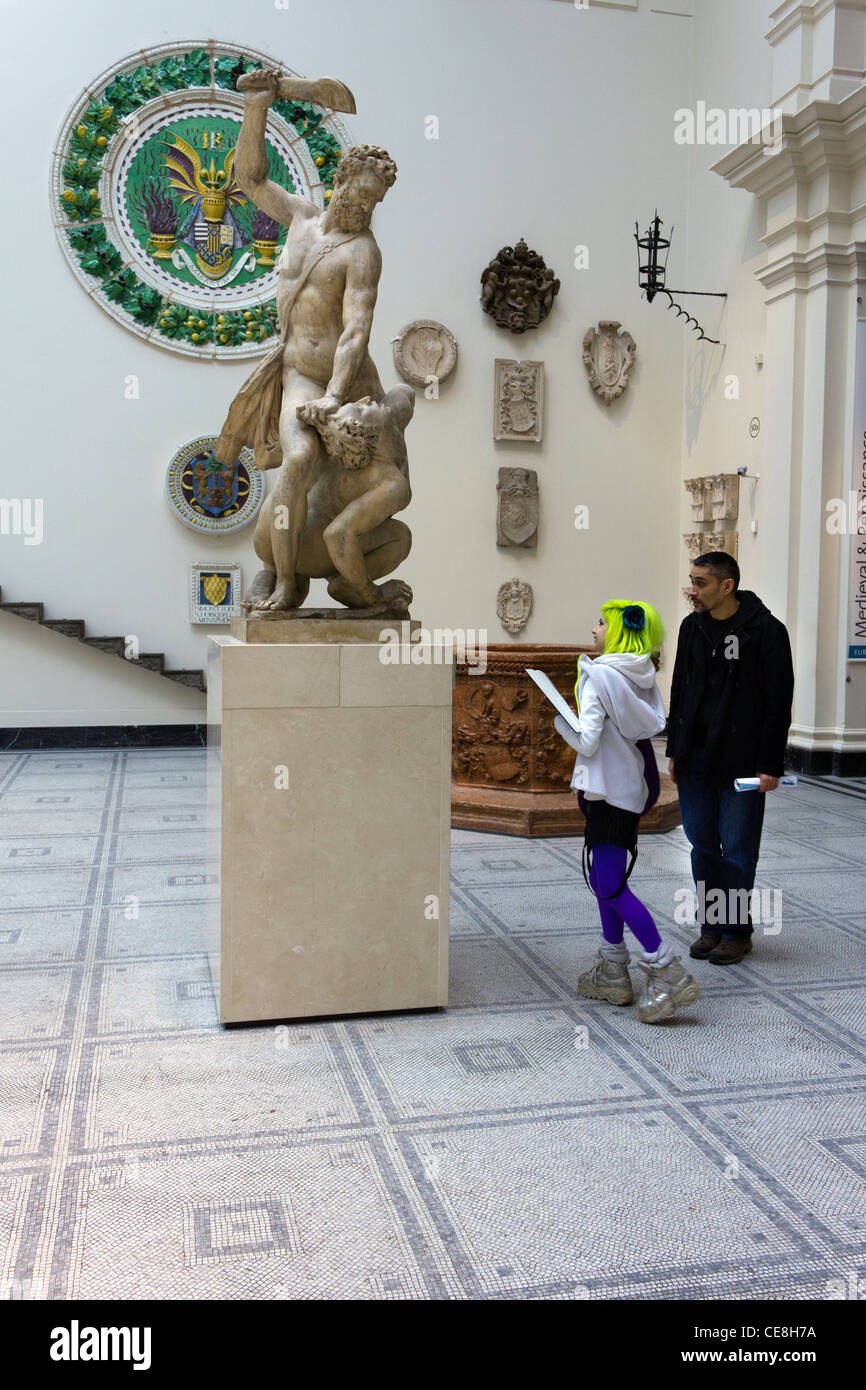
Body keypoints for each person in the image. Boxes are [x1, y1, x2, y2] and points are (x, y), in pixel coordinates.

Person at [212, 66, 398, 613]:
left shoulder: (363, 251)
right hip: (296, 373)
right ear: (340, 180)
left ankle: (334, 572)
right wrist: (257, 108)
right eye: (360, 192)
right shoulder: (301, 218)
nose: (364, 207)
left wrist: (335, 397)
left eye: (374, 202)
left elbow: (357, 330)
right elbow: (250, 179)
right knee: (296, 461)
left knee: (359, 474)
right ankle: (284, 577)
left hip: (339, 383)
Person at [554, 601, 702, 1024]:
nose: (594, 627)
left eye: (602, 622)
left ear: (617, 631)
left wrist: (560, 722)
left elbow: (587, 741)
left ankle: (666, 970)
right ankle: (612, 969)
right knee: (606, 881)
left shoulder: (596, 674)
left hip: (604, 792)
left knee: (613, 886)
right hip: (629, 788)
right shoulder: (640, 673)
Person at [666, 552, 794, 964]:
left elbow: (778, 703)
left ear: (727, 586)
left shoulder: (766, 631)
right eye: (691, 580)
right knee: (702, 844)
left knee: (737, 849)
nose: (692, 590)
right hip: (695, 758)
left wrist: (770, 765)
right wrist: (675, 748)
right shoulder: (691, 627)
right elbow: (680, 690)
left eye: (700, 582)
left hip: (741, 760)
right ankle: (711, 925)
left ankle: (736, 932)